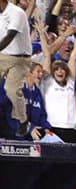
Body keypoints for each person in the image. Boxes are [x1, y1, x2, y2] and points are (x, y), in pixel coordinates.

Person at [0, 0, 32, 137]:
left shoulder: (17, 13)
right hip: (2, 56)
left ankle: (23, 121)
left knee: (11, 90)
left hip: (20, 59)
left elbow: (9, 37)